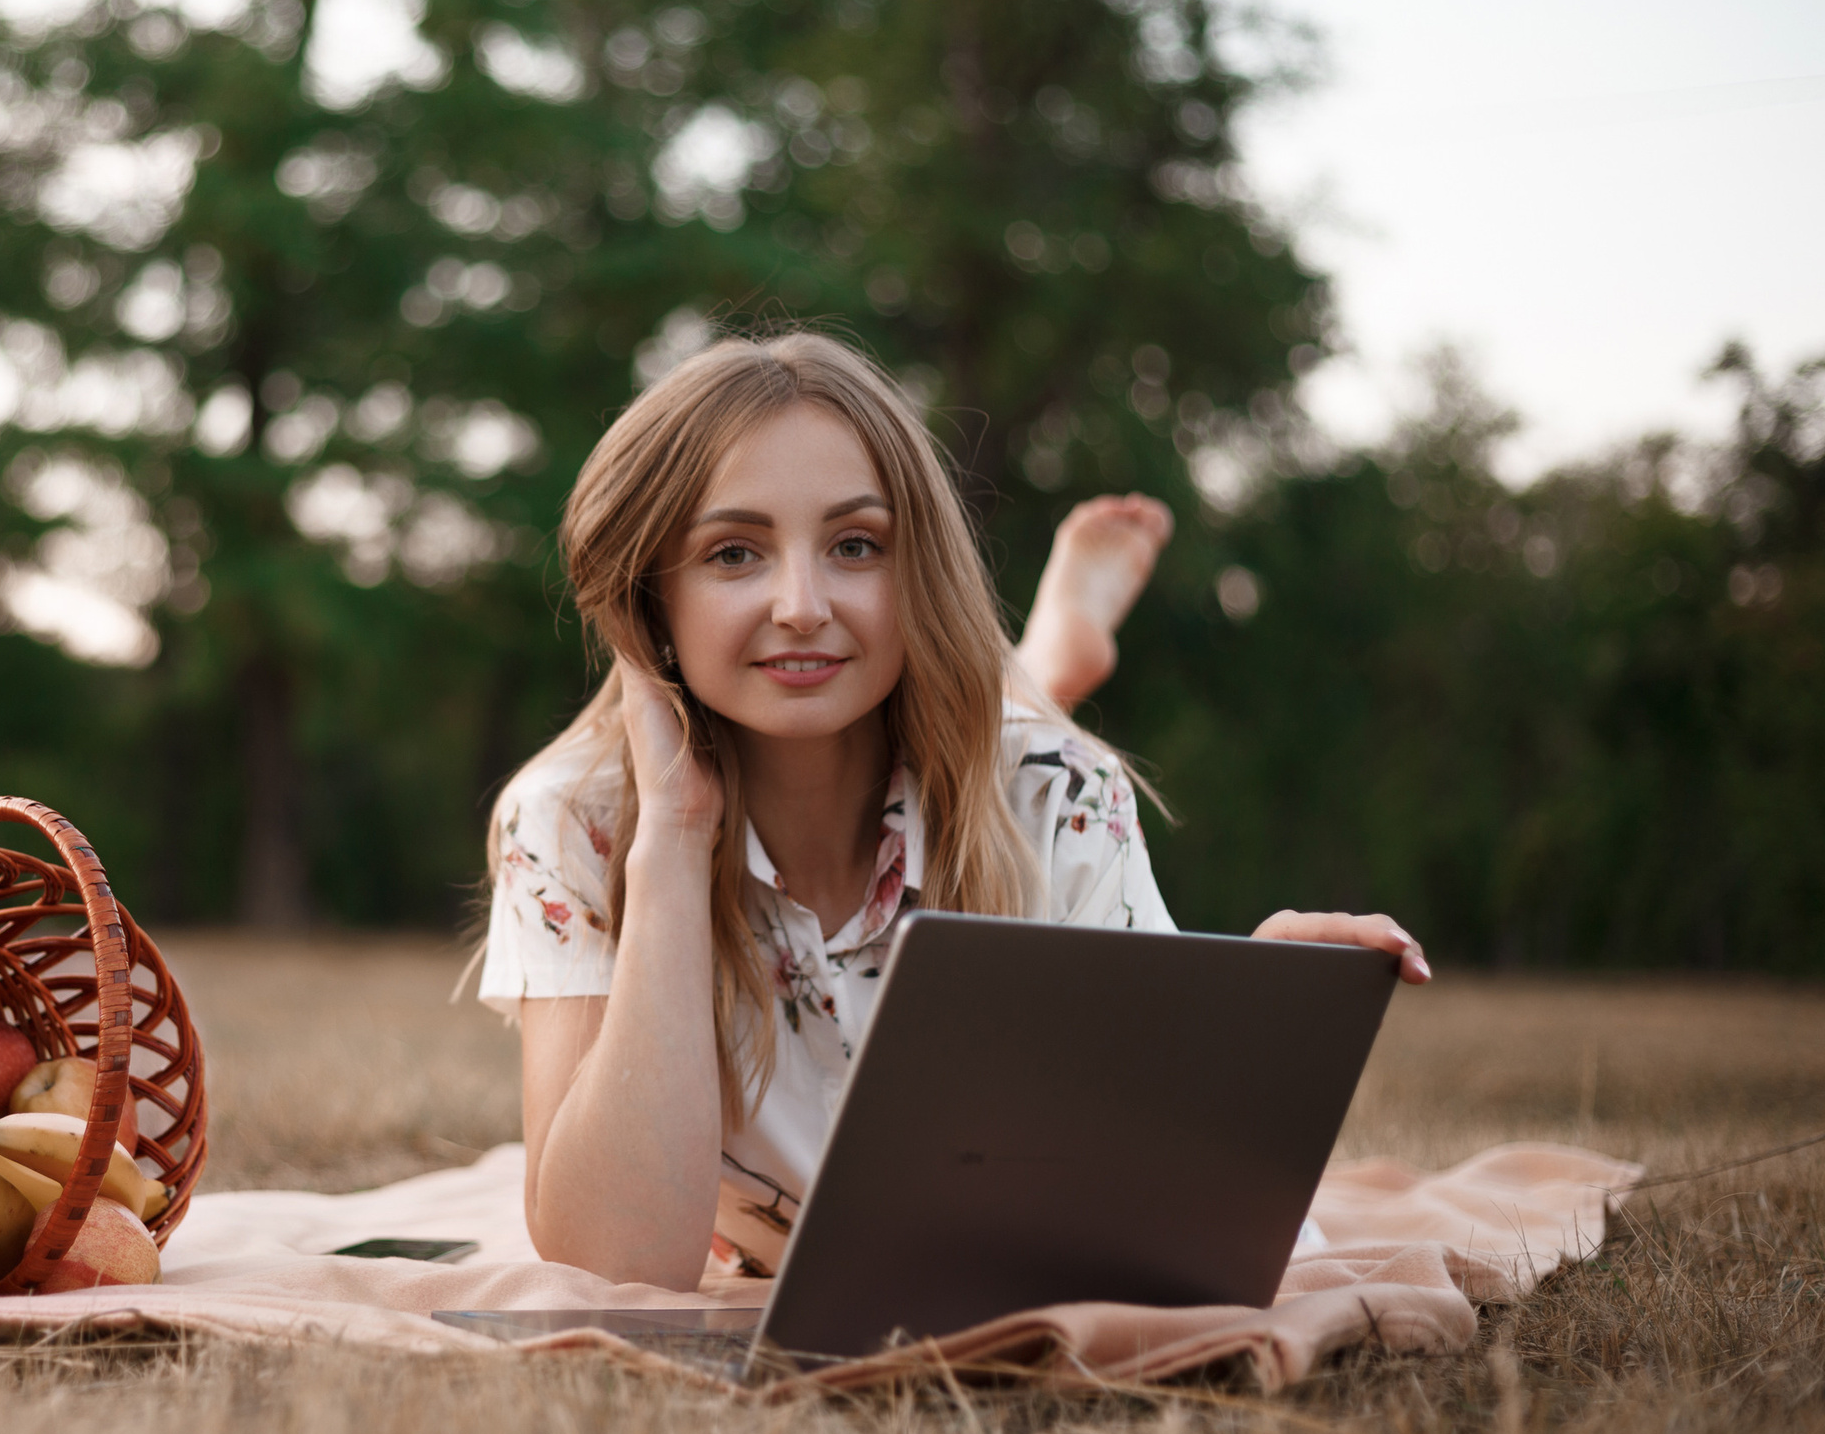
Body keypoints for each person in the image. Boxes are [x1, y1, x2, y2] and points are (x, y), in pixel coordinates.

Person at [474, 333, 1431, 1291]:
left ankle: (1042, 664)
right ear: (649, 599)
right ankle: (1049, 651)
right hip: (716, 797)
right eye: (733, 552)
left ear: (918, 570)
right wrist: (674, 843)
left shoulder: (1057, 789)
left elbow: (1153, 1193)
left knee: (1012, 742)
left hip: (984, 754)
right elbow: (617, 1265)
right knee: (1004, 711)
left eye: (856, 545)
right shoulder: (572, 820)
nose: (801, 605)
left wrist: (1233, 1028)